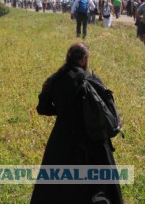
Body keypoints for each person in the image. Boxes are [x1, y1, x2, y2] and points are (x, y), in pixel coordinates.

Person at [31, 42, 123, 204]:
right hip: (92, 139)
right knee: (99, 185)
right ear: (84, 59)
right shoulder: (90, 78)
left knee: (56, 187)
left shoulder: (55, 79)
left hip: (62, 139)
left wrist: (62, 111)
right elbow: (107, 108)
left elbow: (42, 108)